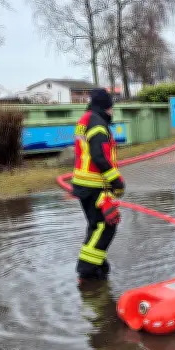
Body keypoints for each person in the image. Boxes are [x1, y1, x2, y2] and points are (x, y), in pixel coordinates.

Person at [71, 88, 125, 281]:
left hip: (85, 183)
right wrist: (117, 182)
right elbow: (99, 157)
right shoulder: (98, 124)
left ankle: (97, 265)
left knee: (97, 225)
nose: (112, 112)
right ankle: (87, 269)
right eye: (111, 107)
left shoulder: (86, 119)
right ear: (106, 107)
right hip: (95, 185)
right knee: (106, 226)